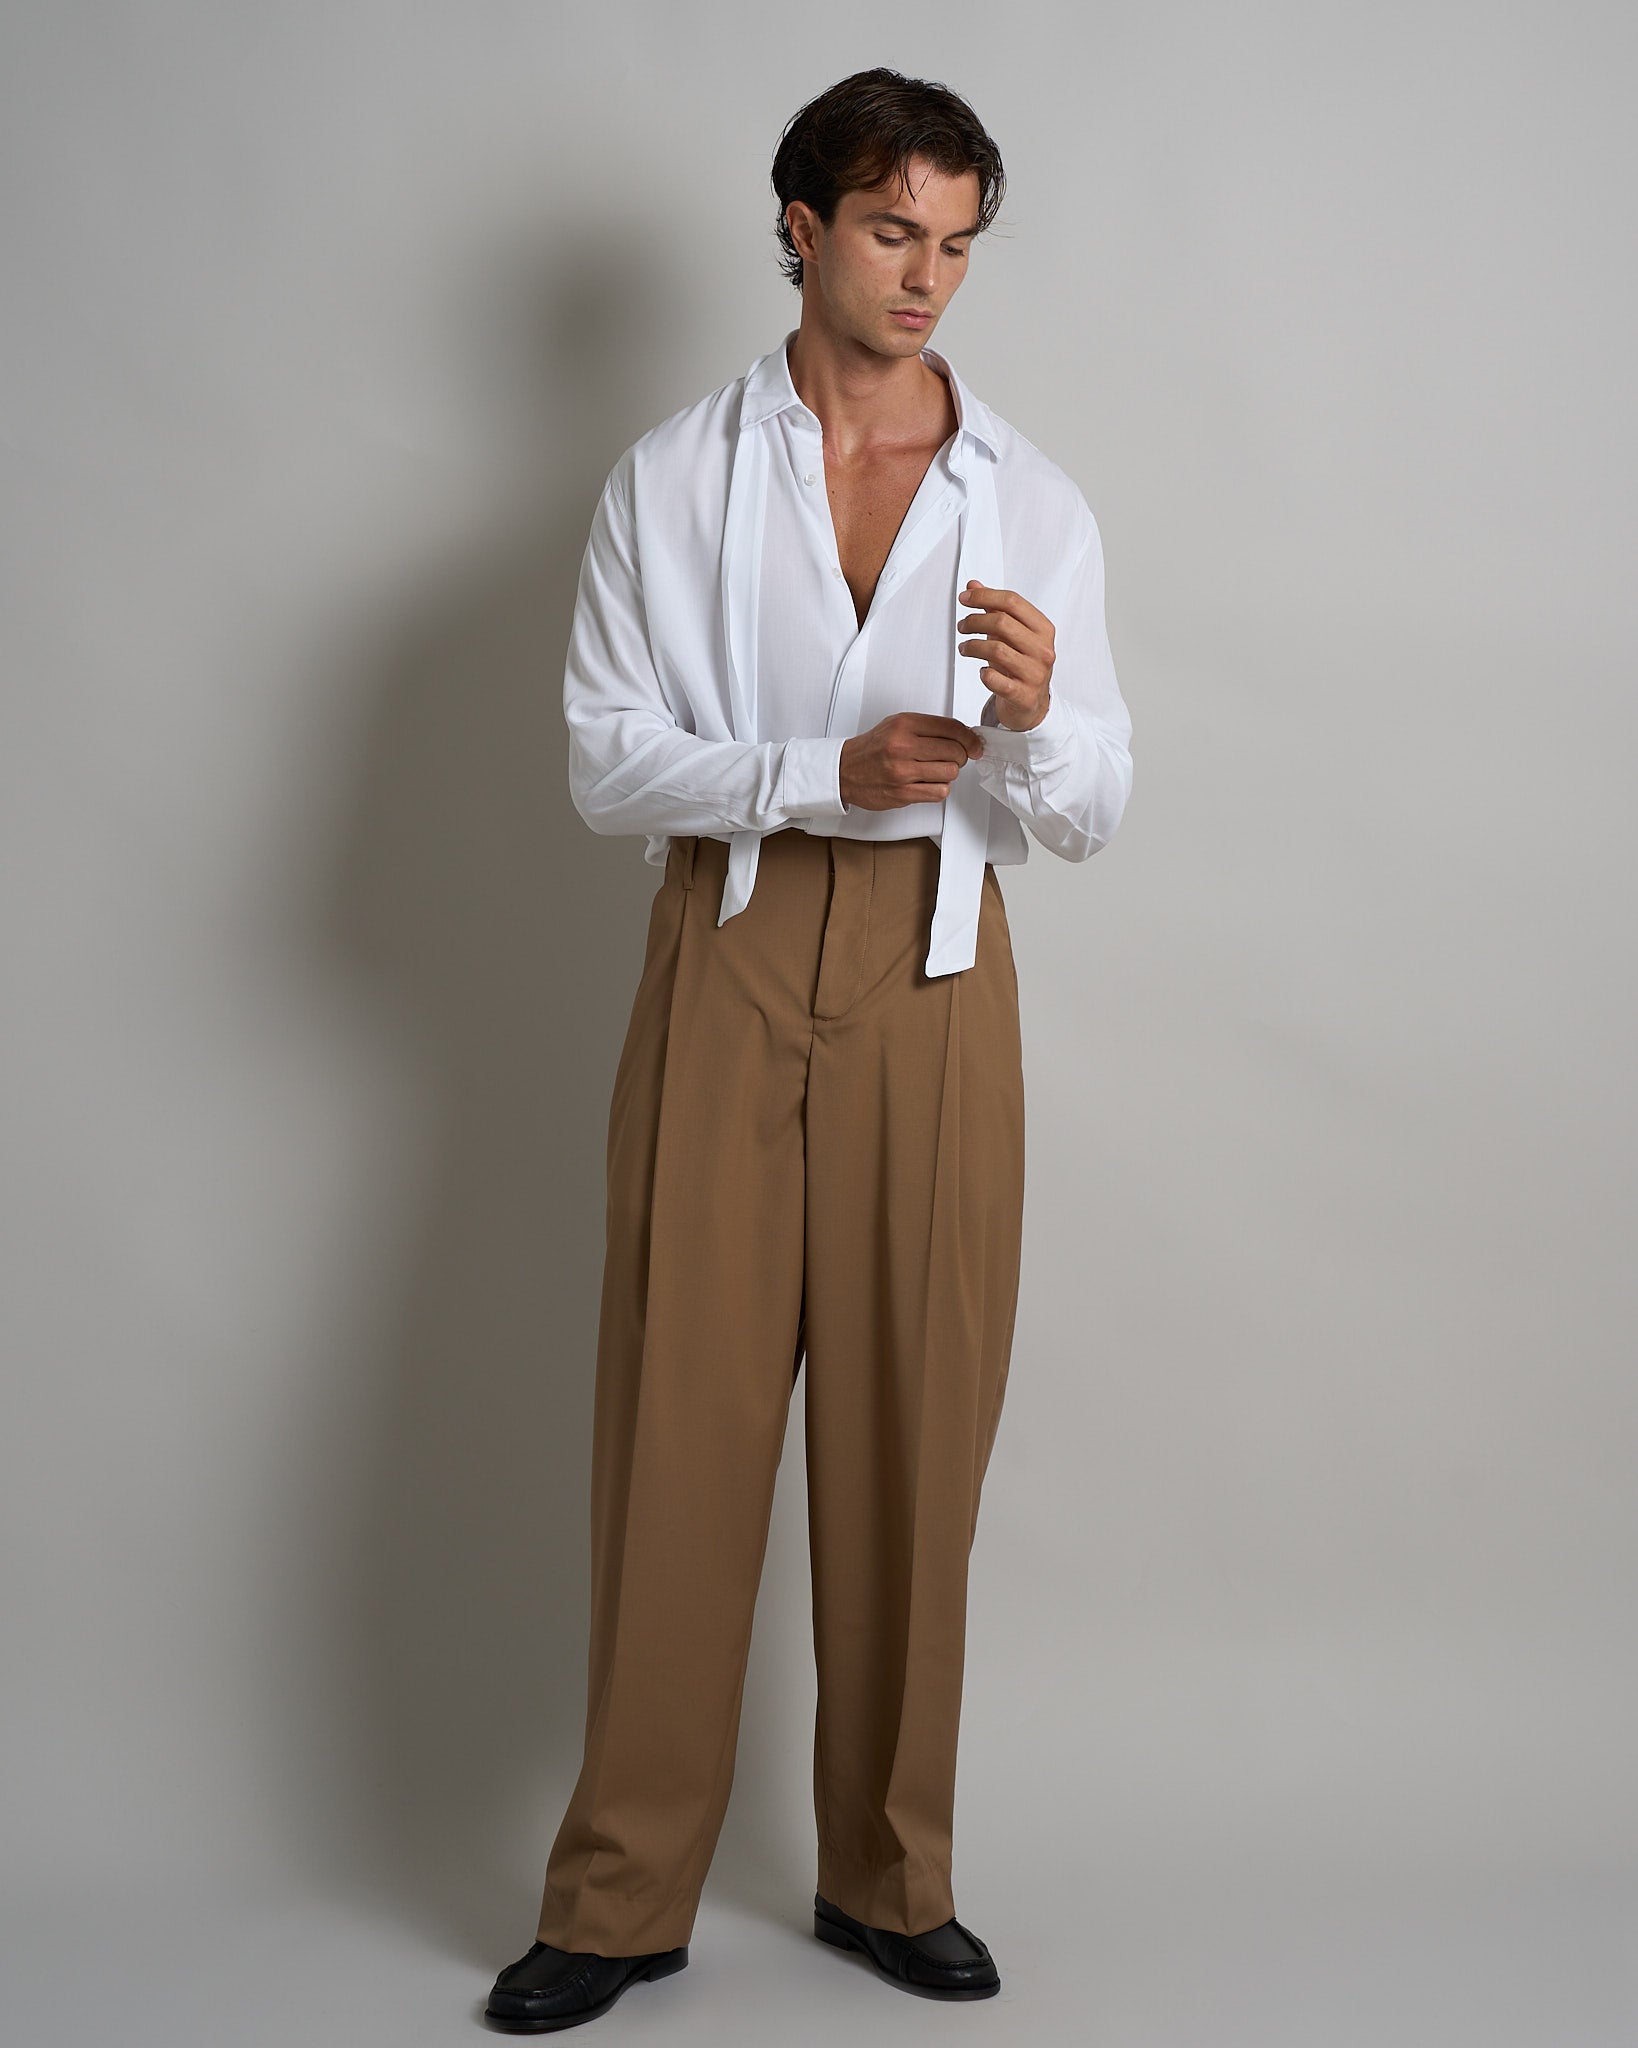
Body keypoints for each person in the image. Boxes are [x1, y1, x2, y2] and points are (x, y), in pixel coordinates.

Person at [485, 64, 1133, 2033]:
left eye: (955, 245)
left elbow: (1093, 807)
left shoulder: (1030, 498)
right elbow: (605, 761)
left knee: (914, 1434)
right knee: (675, 1430)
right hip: (732, 942)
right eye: (888, 233)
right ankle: (618, 1899)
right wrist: (810, 774)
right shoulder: (673, 476)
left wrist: (1037, 721)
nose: (925, 277)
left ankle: (888, 1877)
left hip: (938, 970)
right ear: (800, 228)